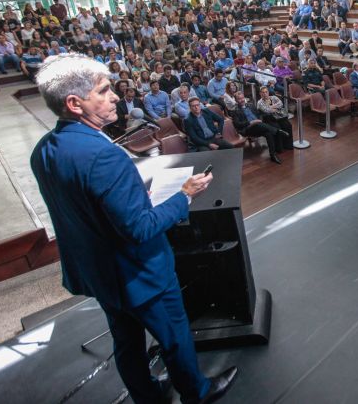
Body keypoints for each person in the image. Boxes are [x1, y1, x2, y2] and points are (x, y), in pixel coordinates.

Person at [30, 55, 237, 404]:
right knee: (173, 335)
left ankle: (148, 397)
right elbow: (140, 228)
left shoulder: (44, 151)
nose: (115, 97)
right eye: (104, 91)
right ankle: (196, 392)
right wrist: (184, 196)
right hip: (138, 273)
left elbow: (83, 210)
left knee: (126, 341)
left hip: (98, 272)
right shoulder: (101, 156)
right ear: (74, 103)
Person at [231, 92, 286, 164]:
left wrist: (259, 120)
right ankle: (278, 131)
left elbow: (259, 114)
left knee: (268, 133)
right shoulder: (234, 110)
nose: (241, 100)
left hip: (258, 126)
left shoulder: (251, 105)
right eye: (239, 99)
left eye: (242, 98)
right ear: (236, 100)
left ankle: (273, 155)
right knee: (256, 124)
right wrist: (251, 122)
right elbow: (237, 125)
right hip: (247, 128)